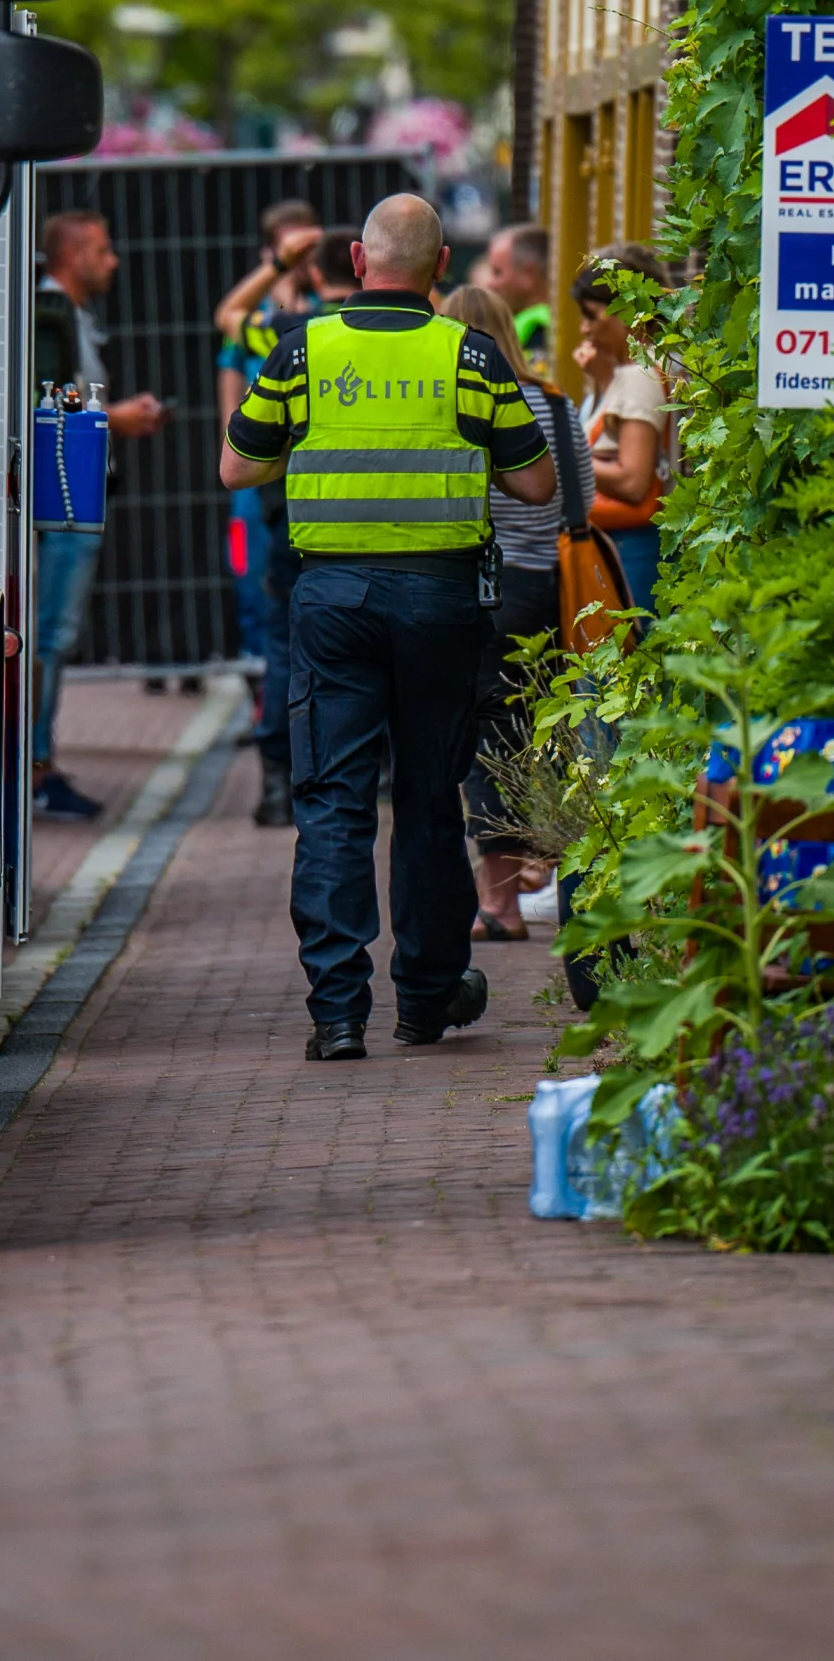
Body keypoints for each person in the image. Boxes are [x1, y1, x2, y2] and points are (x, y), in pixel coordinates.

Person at [221, 193, 556, 1061]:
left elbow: (235, 464)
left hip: (331, 600)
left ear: (359, 264)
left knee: (332, 800)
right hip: (441, 601)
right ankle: (428, 994)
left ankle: (337, 1013)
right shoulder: (472, 354)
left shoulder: (303, 351)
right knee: (427, 798)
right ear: (442, 267)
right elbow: (535, 486)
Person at [438, 280, 584, 941]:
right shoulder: (557, 404)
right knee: (542, 735)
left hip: (486, 588)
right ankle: (546, 868)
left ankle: (496, 902)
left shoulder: (461, 404)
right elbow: (578, 497)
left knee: (489, 745)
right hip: (551, 589)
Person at [31, 207, 163, 821]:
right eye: (102, 250)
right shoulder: (52, 315)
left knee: (52, 635)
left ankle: (38, 759)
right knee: (49, 634)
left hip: (70, 491)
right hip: (62, 497)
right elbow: (50, 402)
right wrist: (119, 420)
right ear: (74, 255)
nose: (112, 262)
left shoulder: (67, 314)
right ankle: (34, 764)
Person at [215, 199, 327, 827]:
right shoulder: (270, 323)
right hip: (267, 490)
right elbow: (228, 337)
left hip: (292, 491)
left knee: (293, 632)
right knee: (271, 621)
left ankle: (284, 772)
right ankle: (278, 772)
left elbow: (225, 315)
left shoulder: (316, 319)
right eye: (290, 251)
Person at [573, 241, 672, 615]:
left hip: (627, 552)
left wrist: (566, 455)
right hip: (623, 550)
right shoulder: (640, 371)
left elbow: (632, 480)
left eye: (591, 315)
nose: (584, 329)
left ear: (624, 313)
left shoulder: (639, 376)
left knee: (612, 666)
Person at [482, 221, 558, 370]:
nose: (490, 283)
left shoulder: (536, 332)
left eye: (497, 272)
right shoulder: (558, 323)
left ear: (528, 274)